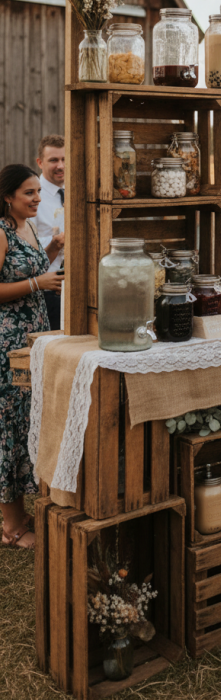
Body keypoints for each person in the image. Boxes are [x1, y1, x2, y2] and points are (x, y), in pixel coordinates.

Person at [0, 165, 64, 549]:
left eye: (38, 191)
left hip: (32, 338)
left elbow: (33, 268)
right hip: (7, 342)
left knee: (26, 422)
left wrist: (53, 250)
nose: (37, 198)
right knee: (8, 427)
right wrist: (39, 282)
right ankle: (11, 527)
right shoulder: (2, 231)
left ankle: (20, 513)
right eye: (29, 193)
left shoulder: (26, 228)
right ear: (8, 196)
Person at [34, 135, 66, 330]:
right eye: (53, 160)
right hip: (46, 289)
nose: (60, 165)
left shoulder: (77, 189)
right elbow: (23, 241)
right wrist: (57, 241)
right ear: (40, 162)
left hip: (76, 285)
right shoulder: (31, 195)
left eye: (64, 159)